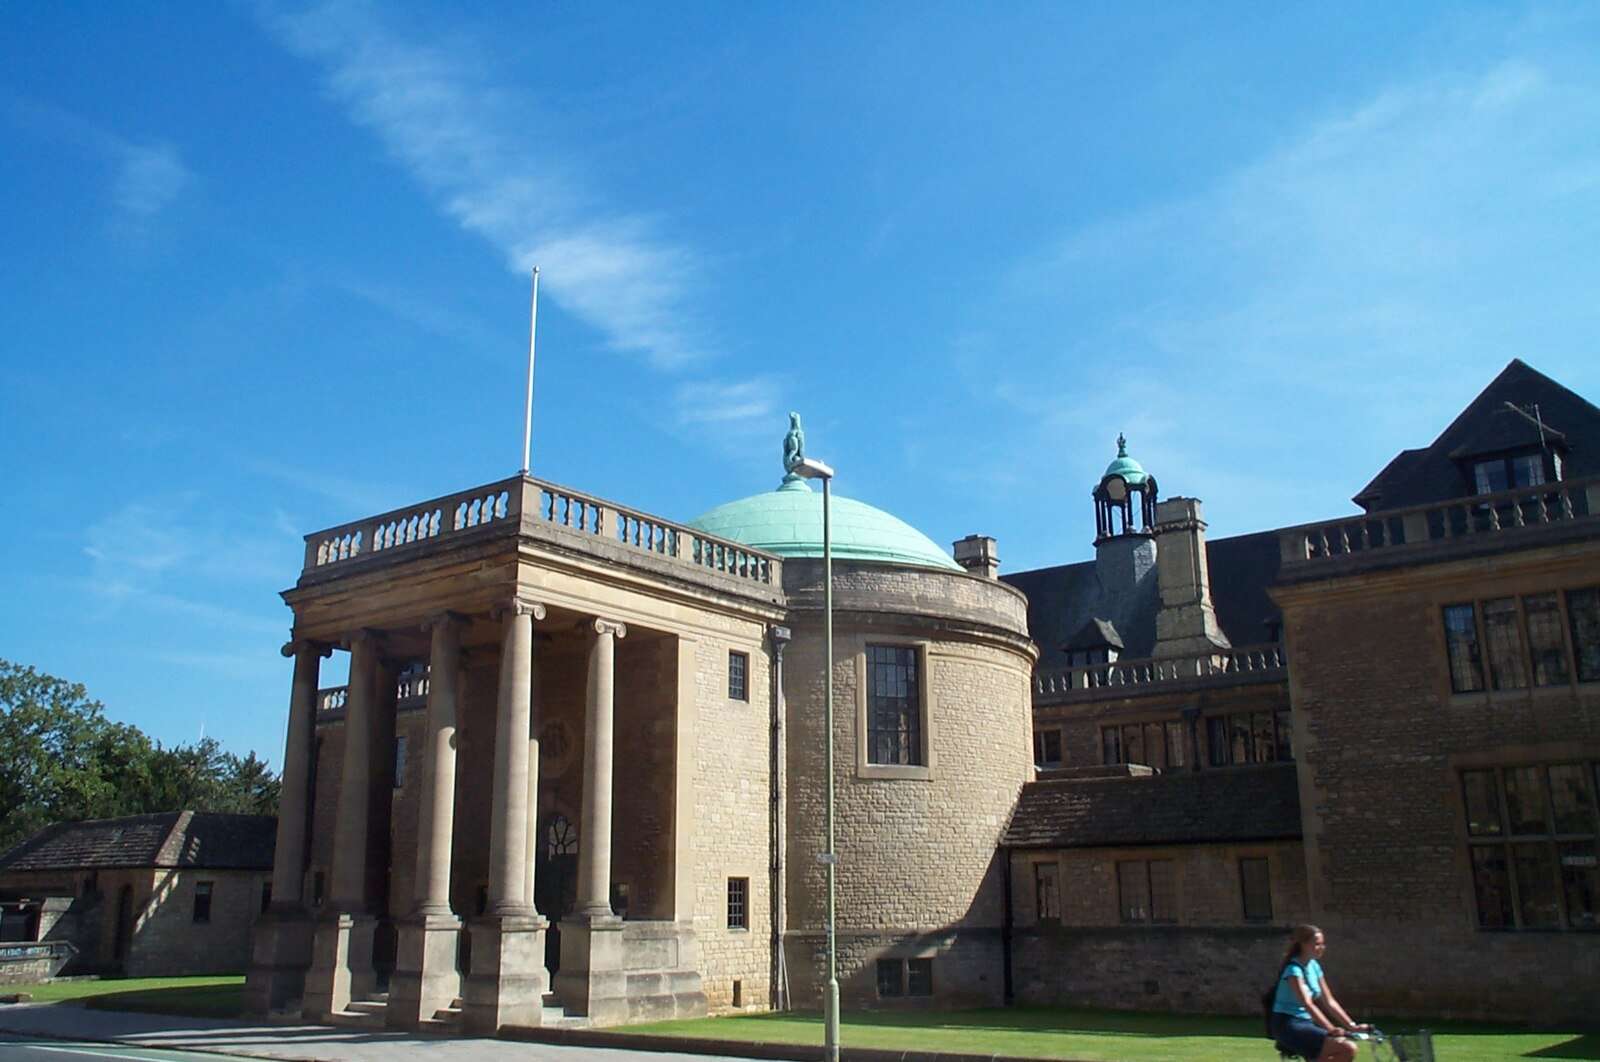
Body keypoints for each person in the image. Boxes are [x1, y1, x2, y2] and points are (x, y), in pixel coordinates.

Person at [1271, 924, 1369, 1061]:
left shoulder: (1314, 966)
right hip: (1287, 1024)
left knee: (1347, 1050)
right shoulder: (1294, 970)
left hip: (1306, 1022)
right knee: (1347, 1048)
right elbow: (1308, 1004)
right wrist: (1331, 1029)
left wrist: (1352, 1026)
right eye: (1317, 944)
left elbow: (1329, 1001)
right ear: (1303, 944)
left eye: (1323, 944)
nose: (1322, 947)